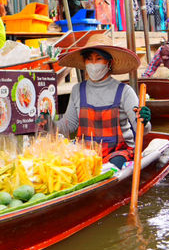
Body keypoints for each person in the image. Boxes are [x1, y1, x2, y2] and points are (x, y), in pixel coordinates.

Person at [55, 41, 152, 169]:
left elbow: (141, 129)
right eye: (89, 59)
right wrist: (46, 125)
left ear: (109, 63)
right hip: (84, 152)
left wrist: (144, 121)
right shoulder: (77, 90)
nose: (93, 64)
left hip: (117, 152)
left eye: (98, 59)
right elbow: (69, 125)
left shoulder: (124, 91)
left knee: (109, 170)